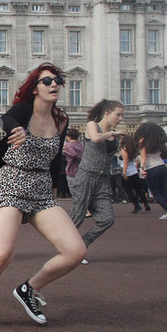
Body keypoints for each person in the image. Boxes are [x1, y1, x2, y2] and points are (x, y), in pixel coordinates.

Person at [0, 63, 84, 332]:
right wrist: (19, 130)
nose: (54, 85)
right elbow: (6, 120)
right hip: (12, 181)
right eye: (47, 81)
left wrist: (55, 190)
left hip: (41, 187)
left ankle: (30, 288)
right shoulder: (24, 110)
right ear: (35, 88)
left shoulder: (61, 120)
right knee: (2, 255)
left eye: (57, 80)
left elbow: (56, 158)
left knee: (75, 251)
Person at [68, 100, 125, 261]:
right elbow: (95, 138)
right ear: (107, 113)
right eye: (118, 115)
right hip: (86, 176)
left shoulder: (114, 135)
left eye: (122, 115)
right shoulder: (93, 125)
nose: (120, 118)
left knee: (107, 218)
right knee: (77, 218)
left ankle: (83, 243)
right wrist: (111, 134)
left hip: (103, 179)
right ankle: (68, 251)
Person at [135, 122, 167, 220]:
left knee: (155, 192)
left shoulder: (143, 142)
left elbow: (143, 156)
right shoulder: (158, 142)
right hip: (161, 166)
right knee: (163, 190)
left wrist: (142, 168)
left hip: (151, 167)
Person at [119, 136, 150, 214]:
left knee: (129, 191)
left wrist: (124, 173)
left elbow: (125, 163)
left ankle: (137, 205)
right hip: (134, 172)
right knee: (139, 189)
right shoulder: (133, 150)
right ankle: (145, 203)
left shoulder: (124, 151)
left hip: (127, 172)